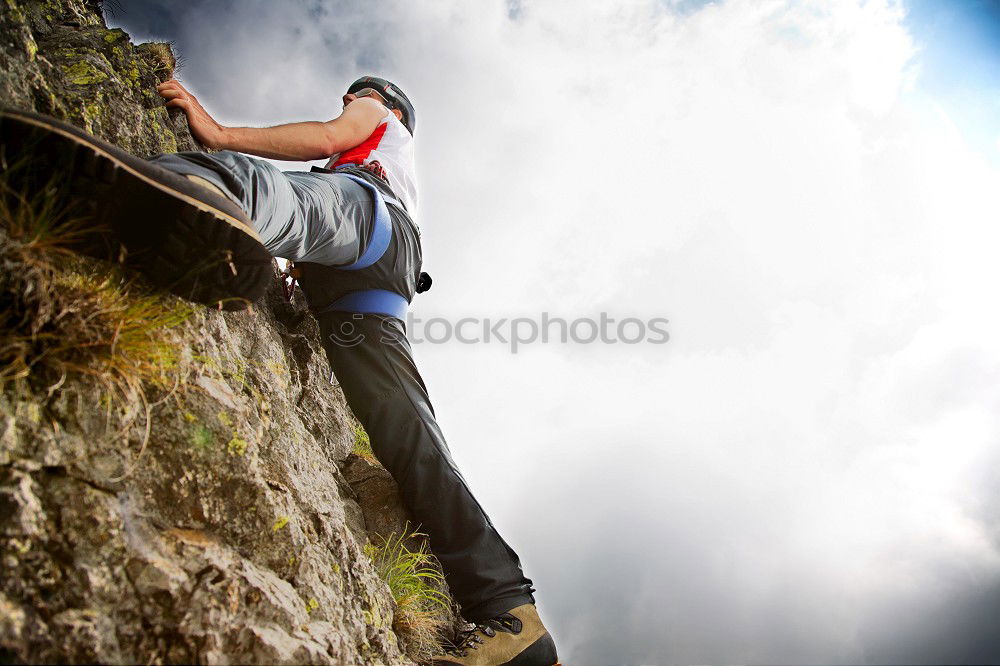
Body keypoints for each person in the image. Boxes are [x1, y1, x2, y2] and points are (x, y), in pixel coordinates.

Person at [0, 75, 558, 666]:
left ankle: (203, 188)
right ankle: (510, 612)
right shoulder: (402, 177)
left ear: (388, 107)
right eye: (352, 95)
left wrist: (217, 134)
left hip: (367, 221)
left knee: (272, 194)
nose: (350, 100)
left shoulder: (377, 121)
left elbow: (325, 138)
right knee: (413, 441)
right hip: (374, 296)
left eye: (360, 94)